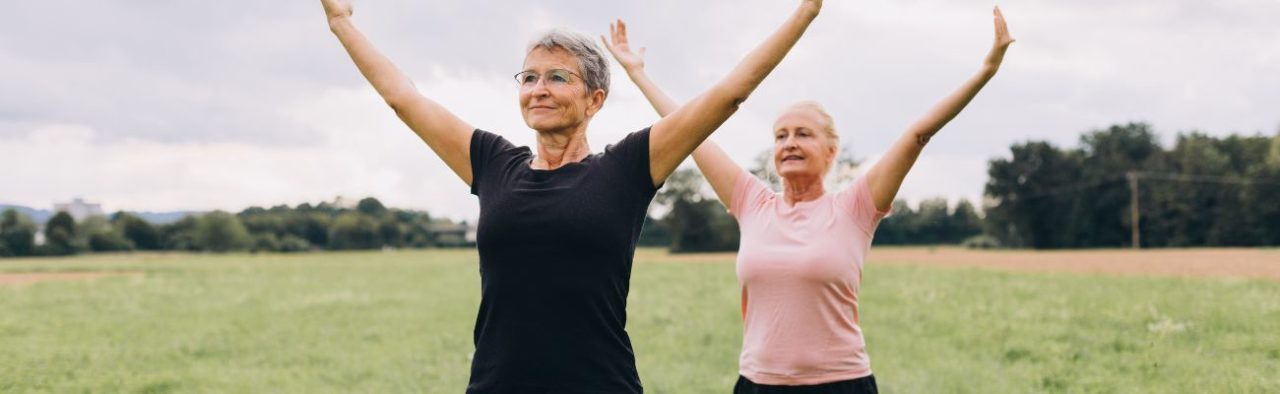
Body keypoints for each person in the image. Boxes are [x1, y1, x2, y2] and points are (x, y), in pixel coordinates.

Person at [319, 0, 824, 392]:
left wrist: (805, 11)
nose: (538, 88)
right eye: (530, 77)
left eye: (558, 77)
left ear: (594, 99)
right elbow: (403, 99)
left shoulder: (627, 167)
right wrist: (341, 22)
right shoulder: (494, 163)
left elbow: (729, 93)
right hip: (498, 386)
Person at [603, 7, 1015, 393]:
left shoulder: (855, 207)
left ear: (831, 150)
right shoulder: (752, 202)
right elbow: (690, 132)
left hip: (841, 383)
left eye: (803, 134)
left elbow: (916, 135)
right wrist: (639, 74)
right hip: (758, 383)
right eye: (781, 135)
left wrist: (987, 69)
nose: (789, 143)